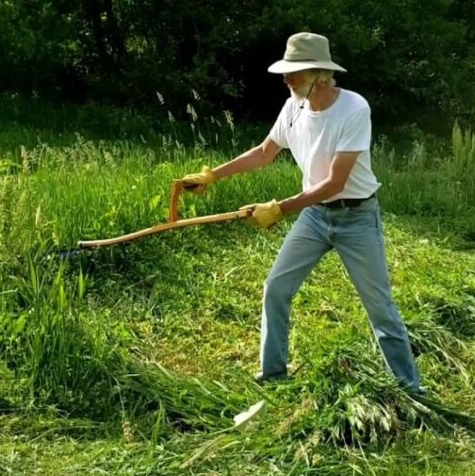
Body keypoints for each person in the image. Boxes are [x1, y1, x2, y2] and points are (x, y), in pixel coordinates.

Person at [178, 32, 422, 393]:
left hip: (355, 217)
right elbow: (264, 151)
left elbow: (335, 183)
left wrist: (280, 208)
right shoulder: (294, 107)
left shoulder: (354, 109)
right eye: (286, 73)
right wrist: (214, 174)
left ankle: (410, 388)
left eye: (293, 73)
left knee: (379, 306)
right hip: (314, 217)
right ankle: (274, 375)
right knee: (276, 287)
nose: (285, 80)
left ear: (318, 75)